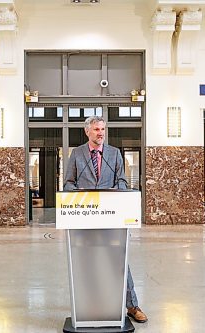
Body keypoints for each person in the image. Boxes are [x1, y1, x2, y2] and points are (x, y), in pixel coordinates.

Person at [63, 116, 148, 323]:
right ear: (87, 132)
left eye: (102, 129)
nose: (100, 133)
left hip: (111, 219)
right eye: (96, 129)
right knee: (87, 263)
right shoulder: (77, 154)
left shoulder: (114, 153)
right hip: (85, 221)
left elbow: (122, 181)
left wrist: (112, 194)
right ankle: (91, 304)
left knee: (120, 262)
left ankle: (131, 305)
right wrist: (83, 195)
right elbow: (68, 184)